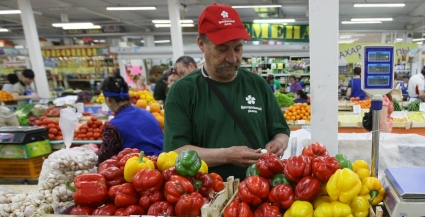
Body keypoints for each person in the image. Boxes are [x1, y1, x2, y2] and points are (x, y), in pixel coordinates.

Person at [164, 3, 290, 180]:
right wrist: (227, 155)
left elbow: (280, 130)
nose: (232, 58)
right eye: (222, 49)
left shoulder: (257, 84)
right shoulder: (182, 91)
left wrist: (279, 142)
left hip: (260, 190)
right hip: (206, 194)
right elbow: (176, 152)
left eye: (238, 48)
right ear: (202, 44)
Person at [96, 75, 163, 164]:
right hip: (162, 166)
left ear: (108, 99)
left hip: (138, 170)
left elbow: (103, 158)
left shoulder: (112, 126)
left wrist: (89, 153)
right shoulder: (147, 114)